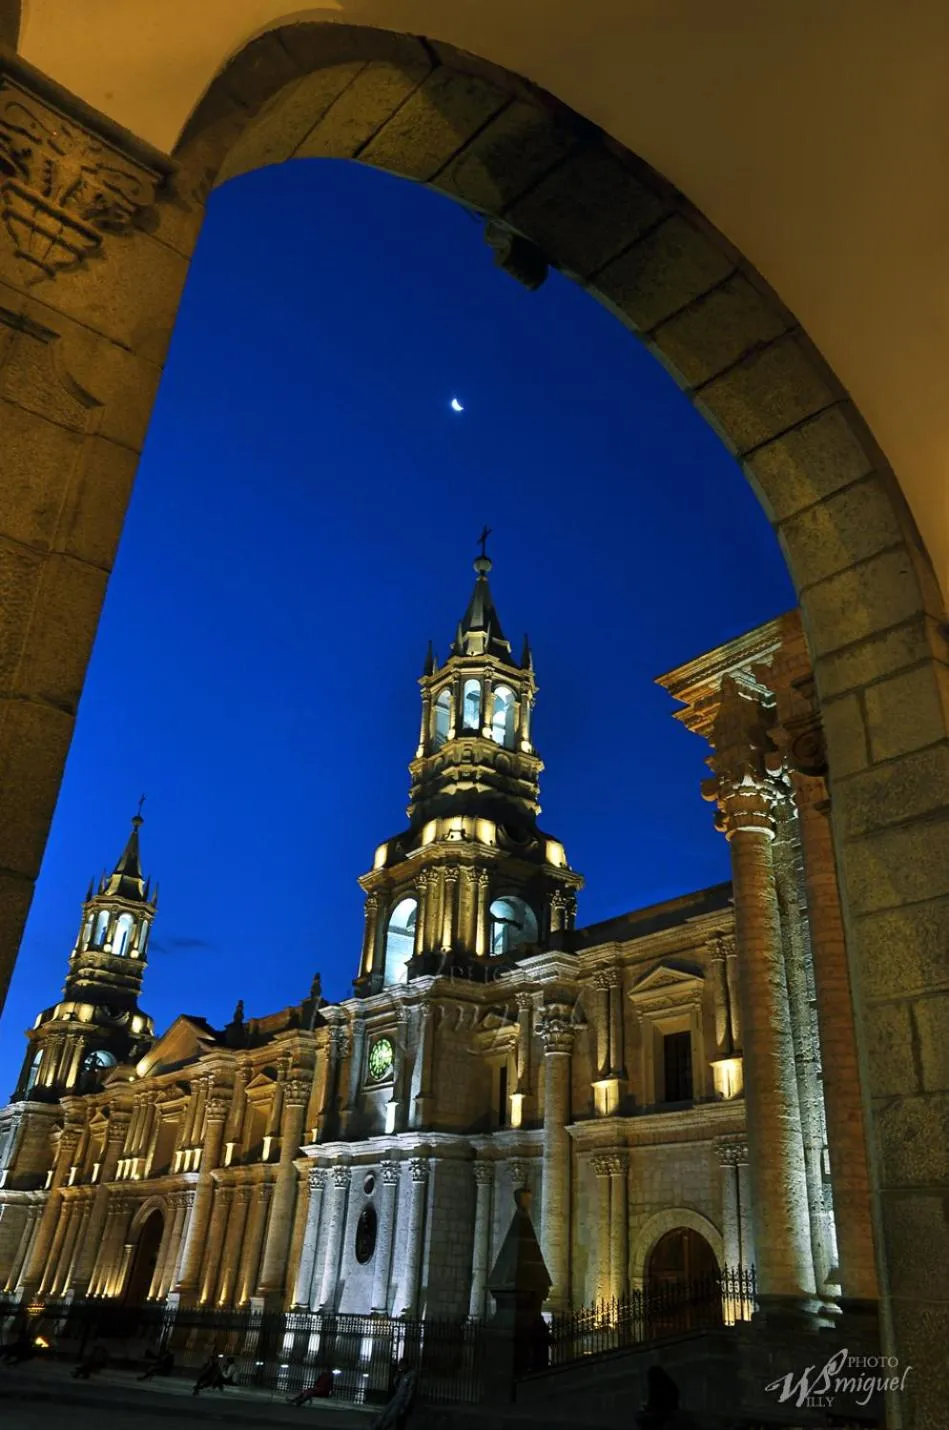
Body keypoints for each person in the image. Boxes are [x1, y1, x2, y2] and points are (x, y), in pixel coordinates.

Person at [370, 1359, 417, 1430]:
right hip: (397, 1396)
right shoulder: (402, 1374)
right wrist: (398, 1374)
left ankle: (382, 1427)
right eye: (400, 1365)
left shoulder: (411, 1375)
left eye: (402, 1365)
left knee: (391, 1416)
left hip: (402, 1400)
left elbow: (411, 1392)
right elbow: (395, 1384)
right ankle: (376, 1426)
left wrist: (406, 1405)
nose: (401, 1367)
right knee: (384, 1412)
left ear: (406, 1365)